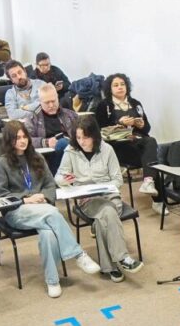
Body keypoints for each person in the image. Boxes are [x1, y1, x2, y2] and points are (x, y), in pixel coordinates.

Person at [0, 120, 103, 297]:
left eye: (24, 136)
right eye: (17, 138)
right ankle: (79, 254)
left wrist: (44, 197)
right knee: (53, 213)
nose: (22, 141)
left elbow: (50, 184)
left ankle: (52, 280)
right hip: (17, 212)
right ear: (9, 141)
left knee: (48, 232)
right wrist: (26, 200)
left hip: (42, 209)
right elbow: (0, 194)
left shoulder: (37, 157)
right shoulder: (1, 163)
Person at [57, 116, 143, 282]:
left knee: (102, 219)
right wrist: (64, 180)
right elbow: (58, 177)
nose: (81, 141)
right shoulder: (70, 151)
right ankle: (123, 258)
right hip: (87, 199)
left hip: (110, 196)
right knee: (108, 213)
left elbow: (118, 179)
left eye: (86, 137)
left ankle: (109, 267)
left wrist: (105, 186)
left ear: (95, 136)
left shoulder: (107, 149)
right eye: (78, 137)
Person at [93, 72, 158, 194]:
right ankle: (157, 199)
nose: (120, 87)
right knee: (153, 161)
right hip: (118, 147)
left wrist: (142, 125)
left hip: (138, 144)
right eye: (116, 85)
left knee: (152, 147)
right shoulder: (104, 105)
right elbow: (99, 130)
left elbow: (147, 129)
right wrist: (119, 122)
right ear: (110, 89)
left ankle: (150, 185)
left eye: (122, 84)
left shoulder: (135, 103)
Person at [24, 81, 78, 164]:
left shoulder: (71, 115)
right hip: (46, 158)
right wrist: (46, 142)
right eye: (47, 102)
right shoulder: (32, 118)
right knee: (62, 143)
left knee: (64, 143)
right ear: (40, 102)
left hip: (72, 152)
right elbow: (26, 140)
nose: (51, 105)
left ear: (58, 97)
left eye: (53, 101)